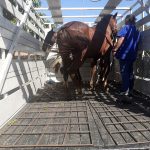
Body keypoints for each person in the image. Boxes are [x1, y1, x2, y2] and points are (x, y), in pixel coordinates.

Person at [113, 15, 141, 98]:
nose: (125, 21)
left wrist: (115, 49)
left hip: (124, 55)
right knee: (130, 72)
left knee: (124, 72)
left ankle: (125, 91)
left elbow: (121, 39)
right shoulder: (137, 30)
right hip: (132, 55)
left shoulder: (126, 27)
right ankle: (130, 89)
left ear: (127, 20)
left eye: (125, 19)